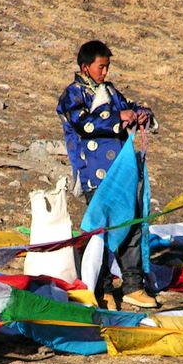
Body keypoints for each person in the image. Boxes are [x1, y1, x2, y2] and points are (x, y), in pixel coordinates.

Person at [57, 40, 158, 309]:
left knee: (131, 224)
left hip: (120, 173)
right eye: (101, 67)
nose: (105, 72)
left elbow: (132, 106)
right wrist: (117, 119)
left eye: (107, 67)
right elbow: (84, 124)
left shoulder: (110, 91)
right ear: (85, 67)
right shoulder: (73, 94)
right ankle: (102, 290)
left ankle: (133, 286)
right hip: (93, 172)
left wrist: (140, 115)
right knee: (99, 232)